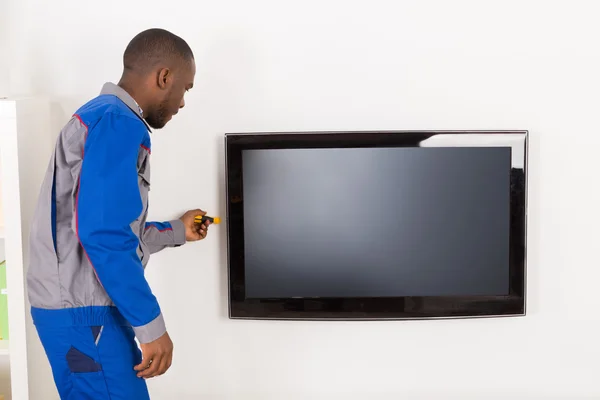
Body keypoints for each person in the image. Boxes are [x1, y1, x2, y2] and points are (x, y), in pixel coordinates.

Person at [27, 28, 208, 399]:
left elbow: (109, 227)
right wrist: (150, 325)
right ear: (164, 77)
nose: (183, 102)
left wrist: (177, 230)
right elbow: (104, 232)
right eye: (185, 88)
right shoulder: (118, 122)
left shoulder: (100, 117)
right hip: (85, 314)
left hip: (77, 312)